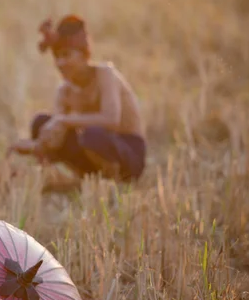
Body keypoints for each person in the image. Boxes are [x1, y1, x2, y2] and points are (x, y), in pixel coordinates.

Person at [9, 15, 147, 183]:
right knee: (41, 122)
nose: (60, 63)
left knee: (92, 136)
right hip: (89, 151)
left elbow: (111, 120)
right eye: (57, 57)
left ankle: (113, 181)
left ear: (84, 55)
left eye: (66, 55)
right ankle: (77, 178)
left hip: (126, 152)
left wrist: (65, 121)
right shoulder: (64, 91)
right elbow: (55, 137)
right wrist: (33, 146)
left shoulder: (105, 75)